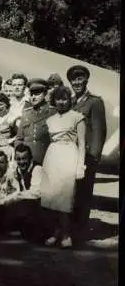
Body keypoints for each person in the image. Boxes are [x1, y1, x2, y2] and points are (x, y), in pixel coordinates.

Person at [41, 86, 86, 248]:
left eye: (64, 98)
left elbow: (81, 144)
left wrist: (81, 166)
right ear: (54, 101)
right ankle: (55, 232)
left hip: (69, 155)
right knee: (51, 196)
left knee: (64, 196)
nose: (61, 102)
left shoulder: (77, 117)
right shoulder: (50, 120)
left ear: (70, 100)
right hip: (53, 156)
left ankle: (66, 235)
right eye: (58, 99)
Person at [67, 65, 107, 246]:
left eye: (79, 78)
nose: (76, 82)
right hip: (70, 154)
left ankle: (80, 233)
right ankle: (70, 230)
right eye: (73, 79)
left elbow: (99, 132)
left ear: (86, 80)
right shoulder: (71, 101)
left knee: (83, 194)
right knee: (70, 193)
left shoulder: (95, 102)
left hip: (86, 157)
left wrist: (93, 158)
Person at [0, 144, 48, 241]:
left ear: (30, 158)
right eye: (19, 159)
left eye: (24, 158)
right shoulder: (17, 171)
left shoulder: (37, 169)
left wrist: (12, 198)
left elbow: (35, 193)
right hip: (25, 203)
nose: (21, 162)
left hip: (39, 206)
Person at [15, 78, 56, 165]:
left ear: (45, 93)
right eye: (32, 94)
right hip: (25, 161)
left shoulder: (52, 112)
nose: (33, 97)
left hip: (46, 160)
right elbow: (19, 138)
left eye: (37, 94)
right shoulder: (26, 113)